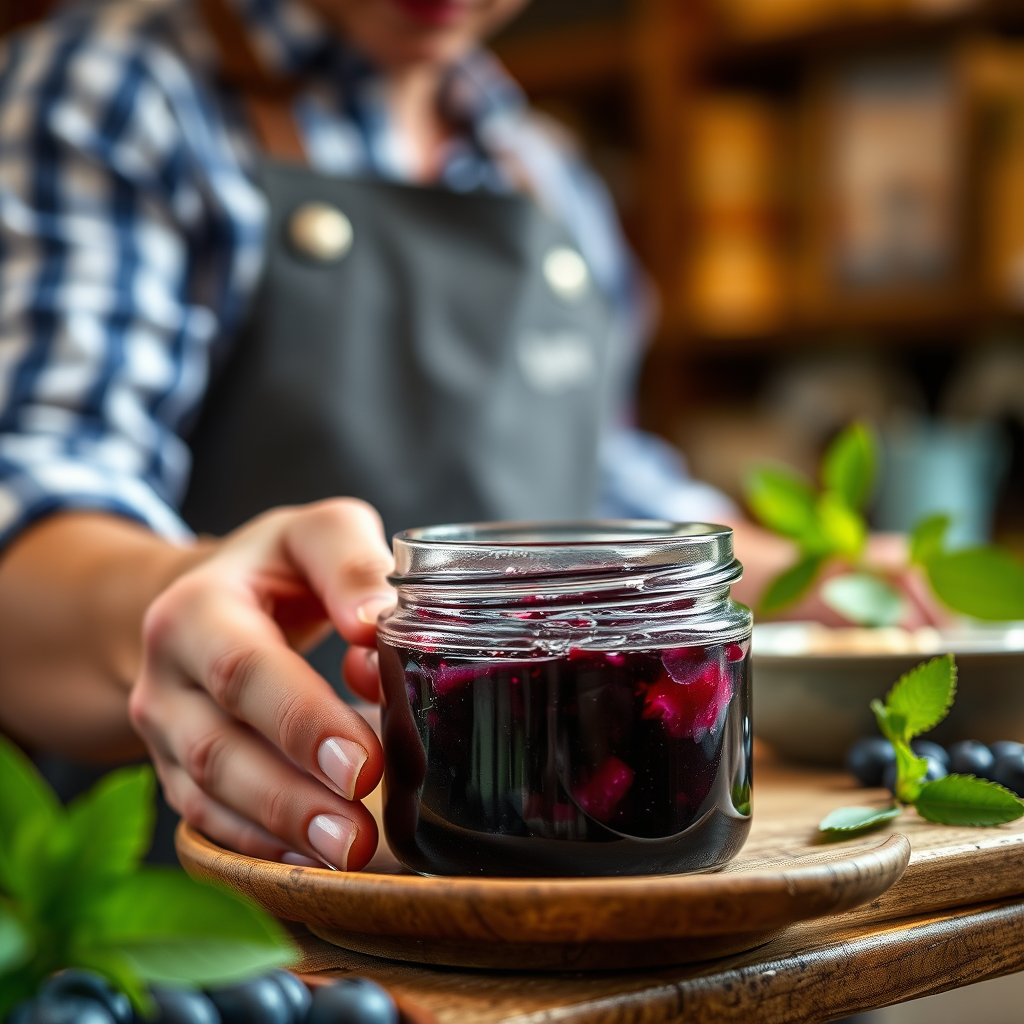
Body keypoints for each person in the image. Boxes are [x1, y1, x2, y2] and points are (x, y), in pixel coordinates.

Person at [0, 0, 910, 871]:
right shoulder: (113, 90)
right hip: (229, 901)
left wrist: (819, 576)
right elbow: (40, 488)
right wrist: (171, 601)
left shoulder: (543, 171)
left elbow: (601, 482)